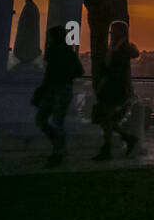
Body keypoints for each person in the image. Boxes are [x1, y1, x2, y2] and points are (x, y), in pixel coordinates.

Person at [35, 26, 84, 168]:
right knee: (55, 121)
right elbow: (79, 71)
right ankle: (59, 147)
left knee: (46, 120)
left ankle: (58, 150)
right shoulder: (68, 52)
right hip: (60, 89)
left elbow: (49, 73)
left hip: (56, 89)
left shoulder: (56, 52)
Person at [91, 20, 139, 161]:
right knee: (107, 120)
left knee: (106, 119)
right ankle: (125, 140)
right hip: (111, 88)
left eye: (113, 31)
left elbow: (115, 68)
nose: (111, 33)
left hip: (114, 89)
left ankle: (110, 148)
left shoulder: (122, 49)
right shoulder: (116, 48)